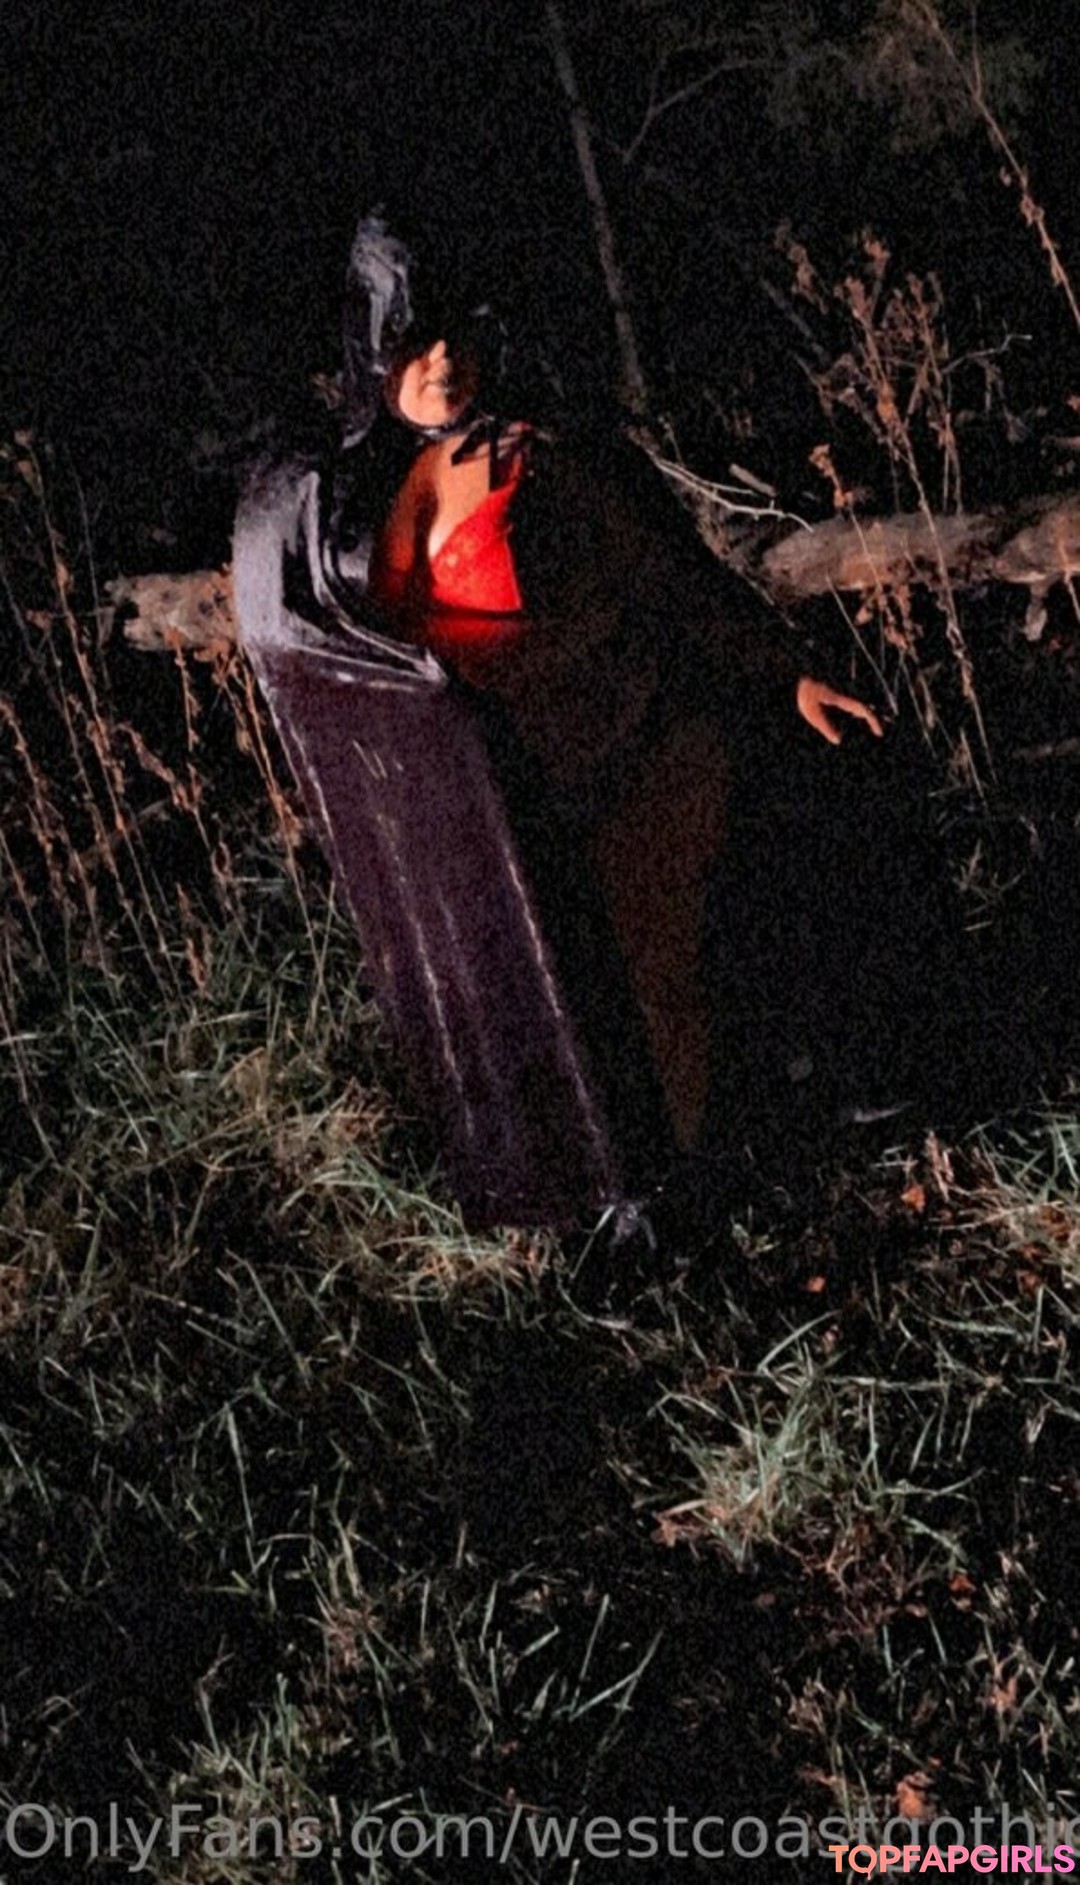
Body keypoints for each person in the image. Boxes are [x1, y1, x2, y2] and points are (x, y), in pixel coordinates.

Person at [234, 215, 881, 1229]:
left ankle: (684, 1192)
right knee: (539, 1000)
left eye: (457, 332)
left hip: (618, 753)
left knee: (649, 975)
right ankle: (591, 1191)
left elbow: (669, 579)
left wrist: (782, 674)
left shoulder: (541, 456)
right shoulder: (343, 501)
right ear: (371, 352)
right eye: (414, 339)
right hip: (489, 796)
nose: (442, 359)